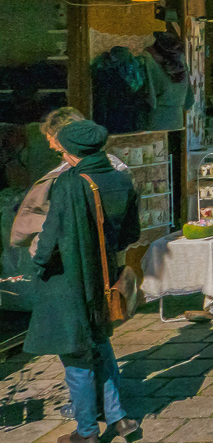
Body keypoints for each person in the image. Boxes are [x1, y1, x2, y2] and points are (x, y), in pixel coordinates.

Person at [25, 119, 141, 443]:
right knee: (100, 344)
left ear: (72, 150)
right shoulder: (121, 180)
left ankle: (87, 431)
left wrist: (37, 264)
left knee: (75, 353)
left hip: (72, 280)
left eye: (61, 146)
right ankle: (119, 419)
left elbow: (51, 237)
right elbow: (131, 234)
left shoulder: (69, 183)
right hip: (105, 277)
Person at [6, 109, 131, 311]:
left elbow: (51, 228)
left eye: (53, 141)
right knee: (96, 322)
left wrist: (40, 261)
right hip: (104, 258)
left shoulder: (67, 179)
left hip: (65, 265)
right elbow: (130, 231)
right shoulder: (120, 172)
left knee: (66, 325)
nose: (49, 144)